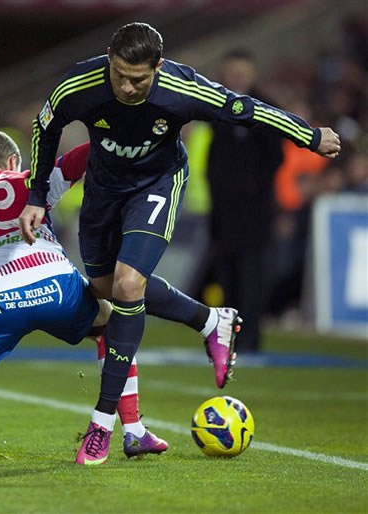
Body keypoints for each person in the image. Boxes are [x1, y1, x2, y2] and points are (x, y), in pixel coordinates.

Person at [19, 22, 341, 465]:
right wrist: (37, 196)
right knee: (106, 289)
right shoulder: (81, 83)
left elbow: (244, 108)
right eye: (119, 75)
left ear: (159, 67)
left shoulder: (182, 87)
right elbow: (45, 126)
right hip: (103, 192)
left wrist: (309, 135)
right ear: (109, 61)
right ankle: (211, 321)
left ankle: (102, 424)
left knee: (129, 285)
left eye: (139, 78)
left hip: (157, 184)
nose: (127, 87)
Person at [0, 130, 168, 461]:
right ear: (12, 161)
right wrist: (121, 141)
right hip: (55, 285)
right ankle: (133, 428)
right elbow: (80, 159)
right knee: (114, 325)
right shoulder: (26, 180)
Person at [205, 49, 284, 353]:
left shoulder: (266, 109)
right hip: (223, 211)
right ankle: (226, 340)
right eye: (232, 72)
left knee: (252, 277)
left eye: (242, 72)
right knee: (226, 277)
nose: (237, 77)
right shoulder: (216, 108)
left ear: (251, 73)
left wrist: (252, 188)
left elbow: (275, 158)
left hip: (254, 211)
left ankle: (250, 341)